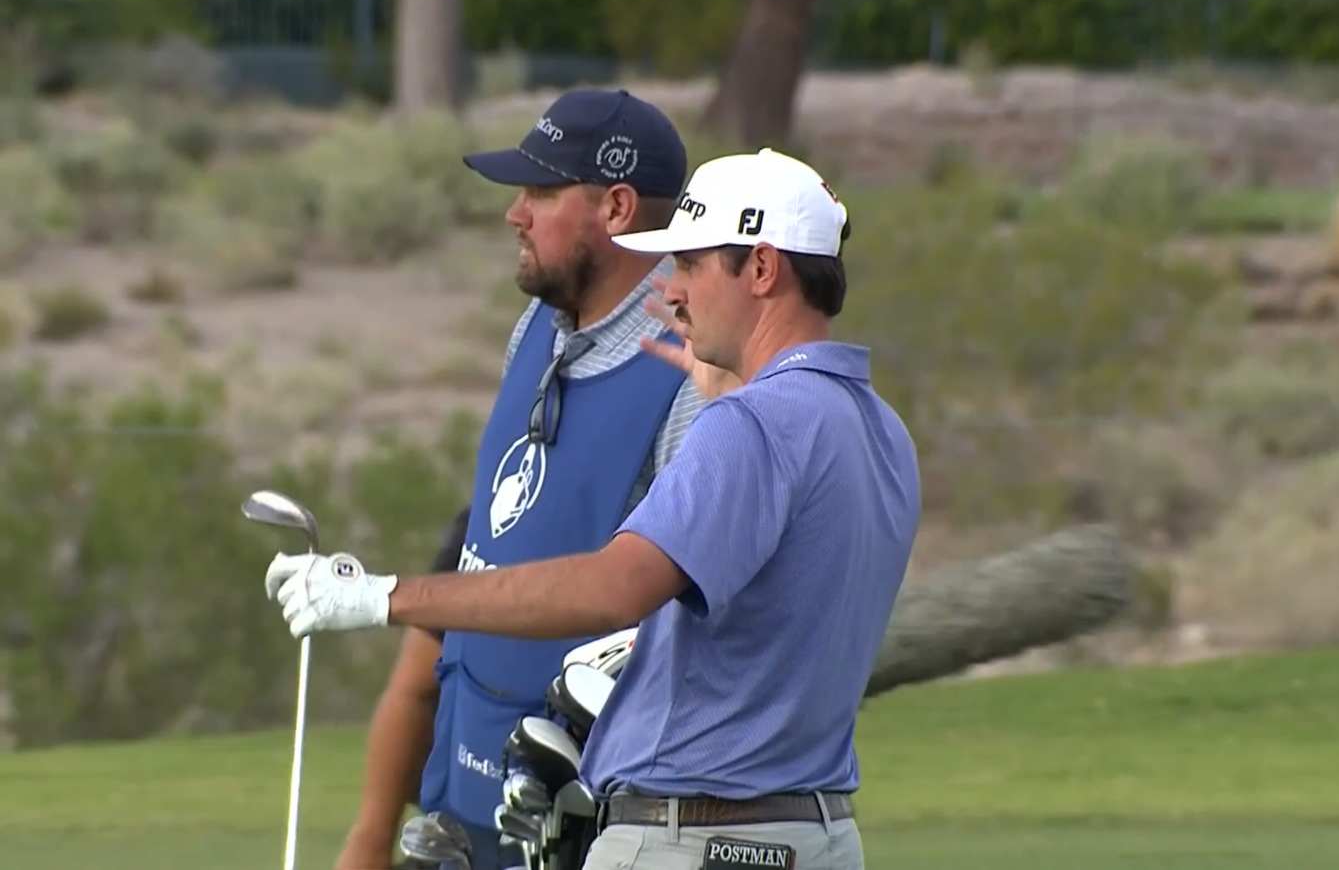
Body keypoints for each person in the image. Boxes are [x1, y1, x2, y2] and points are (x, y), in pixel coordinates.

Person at [266, 147, 921, 870]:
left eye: (692, 265)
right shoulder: (877, 427)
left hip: (695, 837)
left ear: (762, 269)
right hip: (819, 836)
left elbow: (614, 589)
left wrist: (382, 596)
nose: (674, 292)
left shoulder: (750, 428)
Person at [329, 88, 709, 870]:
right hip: (461, 819)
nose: (515, 214)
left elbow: (654, 606)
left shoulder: (693, 379)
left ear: (617, 207)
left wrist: (381, 596)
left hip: (582, 828)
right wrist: (372, 831)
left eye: (541, 192)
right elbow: (483, 557)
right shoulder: (536, 329)